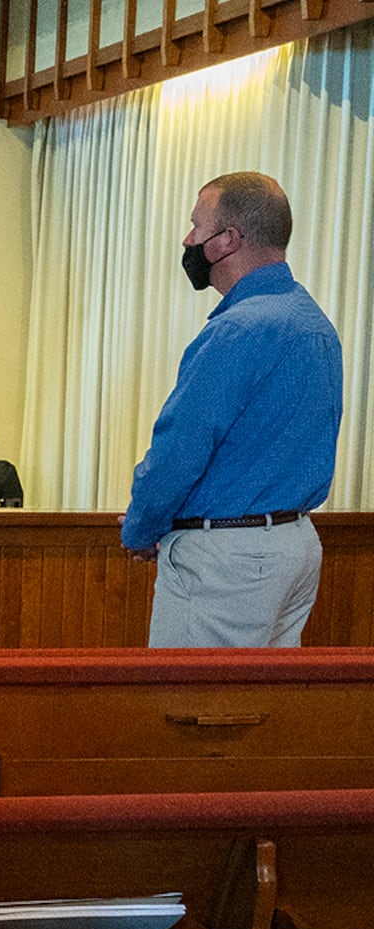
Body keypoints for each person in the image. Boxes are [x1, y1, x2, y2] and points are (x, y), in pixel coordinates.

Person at [121, 172, 343, 648]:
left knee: (192, 709)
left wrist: (141, 527)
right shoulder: (314, 321)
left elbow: (180, 448)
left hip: (228, 559)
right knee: (263, 712)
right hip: (295, 544)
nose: (187, 240)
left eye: (196, 226)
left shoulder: (238, 330)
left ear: (226, 241)